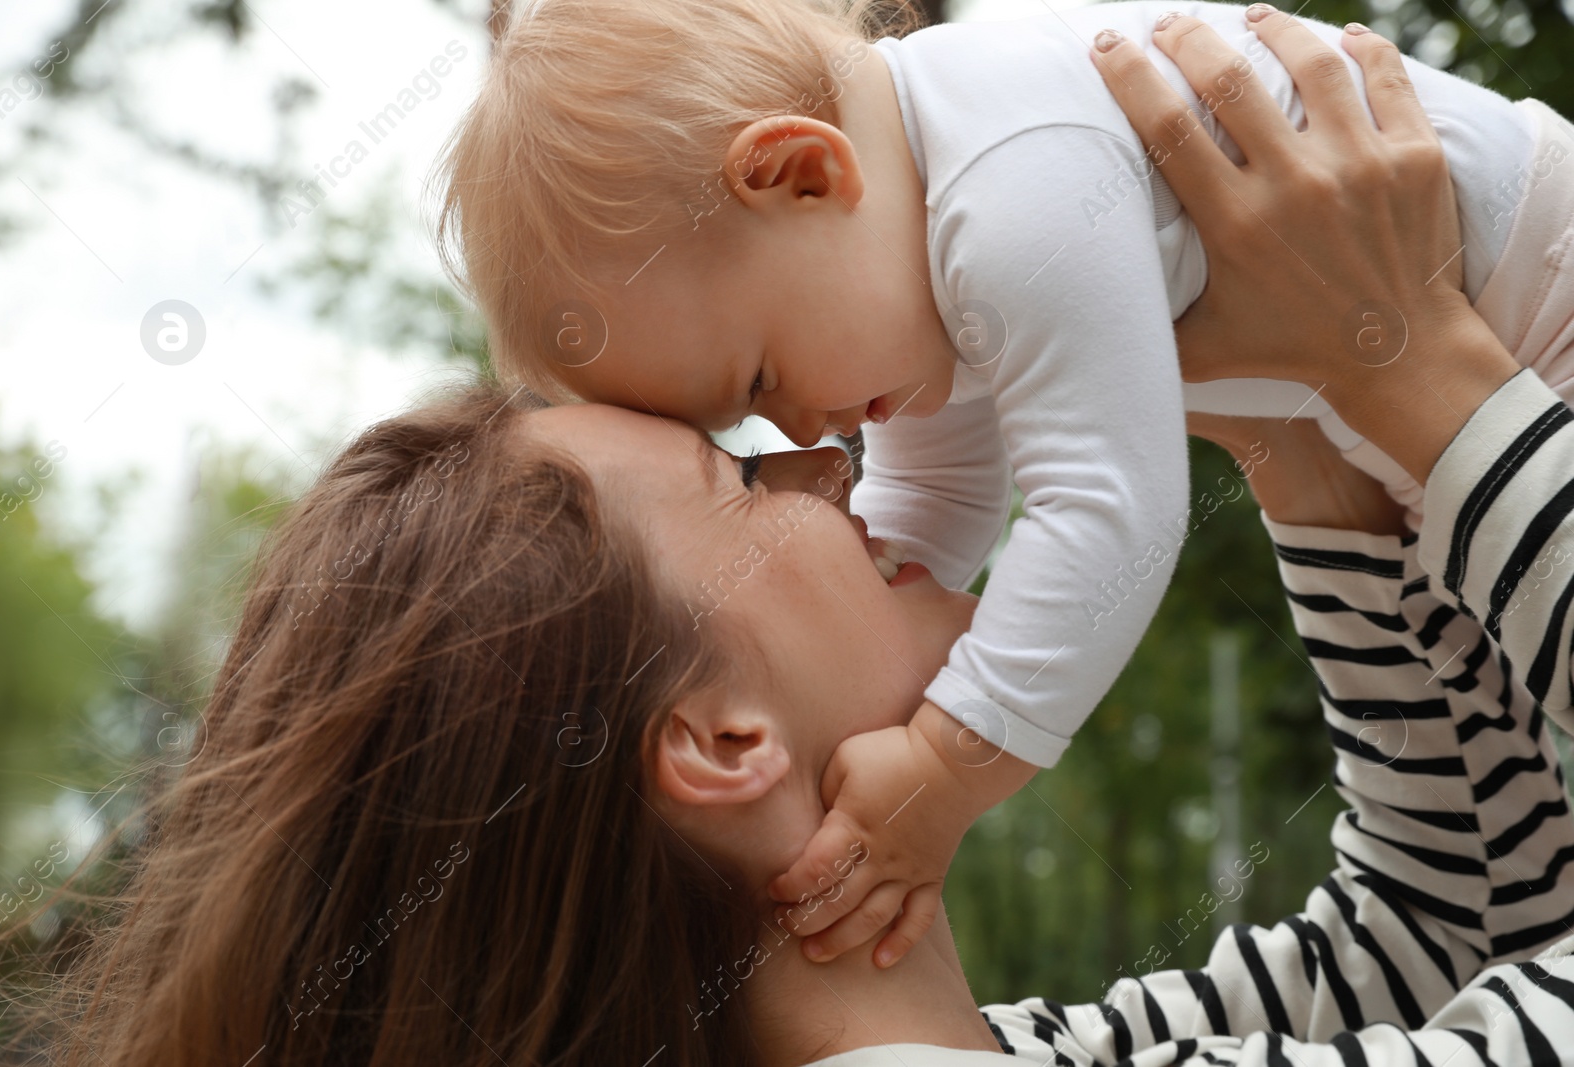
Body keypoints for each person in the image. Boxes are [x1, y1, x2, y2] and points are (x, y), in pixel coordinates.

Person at [435, 0, 1574, 970]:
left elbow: (1110, 508)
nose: (803, 442)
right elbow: (930, 507)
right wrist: (868, 595)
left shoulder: (1008, 188)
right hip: (1472, 429)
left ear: (799, 171)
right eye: (747, 425)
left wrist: (948, 765)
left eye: (761, 376)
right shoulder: (926, 237)